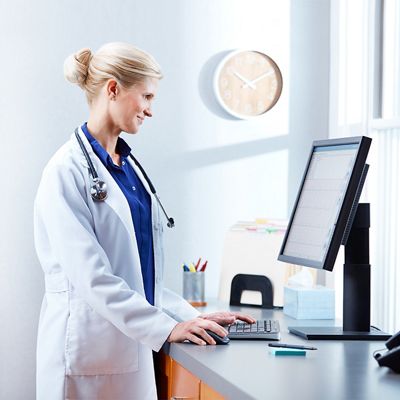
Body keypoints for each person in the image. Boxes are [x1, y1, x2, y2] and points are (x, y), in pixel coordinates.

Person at [33, 42, 254, 400]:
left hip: (128, 348)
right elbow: (93, 279)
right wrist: (167, 328)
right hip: (87, 356)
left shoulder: (128, 168)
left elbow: (140, 277)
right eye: (147, 96)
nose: (151, 110)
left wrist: (192, 317)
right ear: (113, 89)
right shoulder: (65, 172)